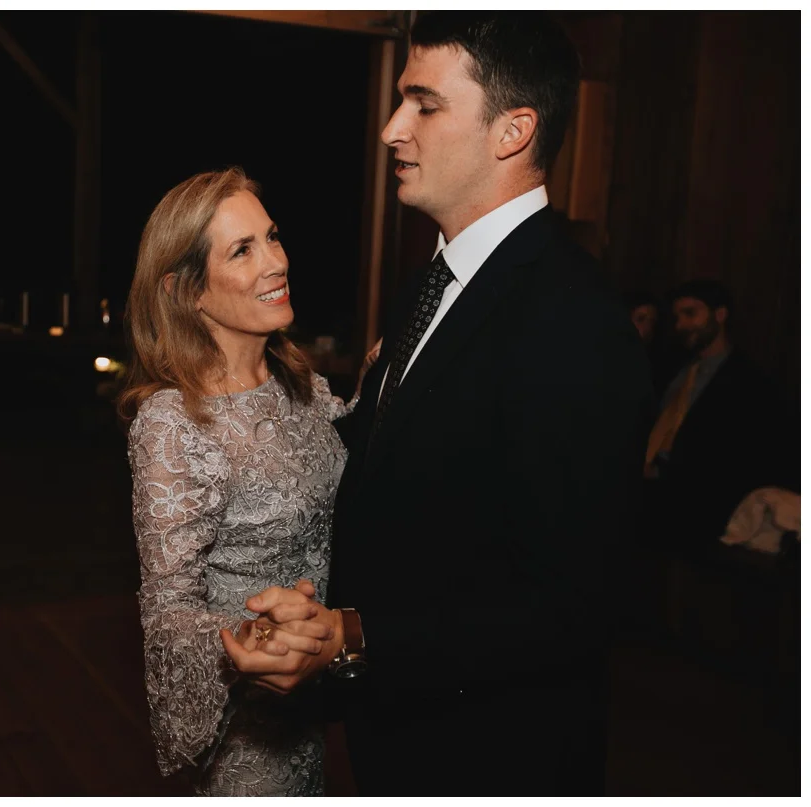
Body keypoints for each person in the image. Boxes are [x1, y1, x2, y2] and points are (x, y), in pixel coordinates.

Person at [220, 12, 655, 795]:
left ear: (512, 130)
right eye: (400, 100)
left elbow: (573, 605)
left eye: (424, 103)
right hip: (401, 735)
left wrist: (354, 635)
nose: (393, 128)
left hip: (496, 756)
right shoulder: (433, 282)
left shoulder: (574, 320)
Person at [119, 167, 378, 795]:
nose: (277, 262)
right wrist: (260, 636)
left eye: (273, 237)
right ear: (187, 291)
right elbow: (168, 611)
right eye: (242, 250)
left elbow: (341, 466)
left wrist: (384, 384)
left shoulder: (300, 384)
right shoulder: (173, 422)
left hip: (312, 707)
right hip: (251, 730)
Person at [644, 279, 796, 551]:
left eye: (690, 313)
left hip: (698, 514)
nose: (681, 325)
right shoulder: (675, 369)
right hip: (650, 497)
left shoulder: (749, 383)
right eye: (677, 317)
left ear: (720, 314)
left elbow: (744, 458)